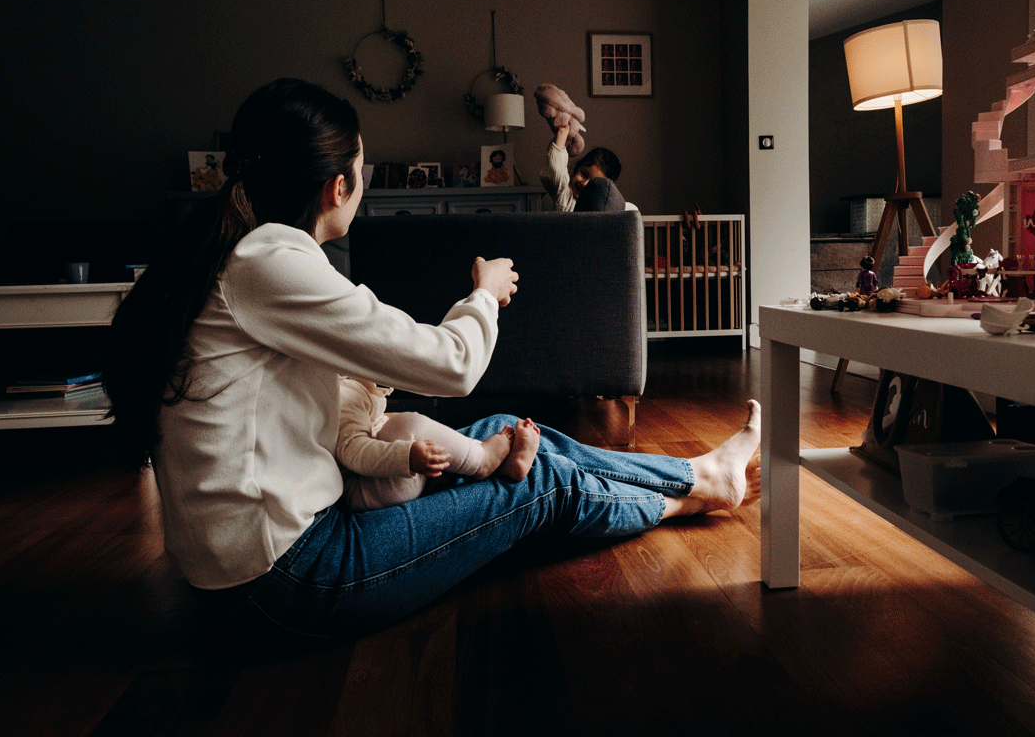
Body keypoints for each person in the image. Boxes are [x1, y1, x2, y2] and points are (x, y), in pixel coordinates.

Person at [103, 78, 761, 642]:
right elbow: (451, 367)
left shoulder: (235, 247)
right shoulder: (268, 260)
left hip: (266, 559)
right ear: (338, 187)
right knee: (537, 484)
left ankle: (691, 473)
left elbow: (383, 360)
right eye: (361, 169)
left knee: (503, 432)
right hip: (286, 581)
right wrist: (484, 296)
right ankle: (696, 494)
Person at [336, 374, 540, 512]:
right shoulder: (345, 393)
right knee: (407, 425)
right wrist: (406, 456)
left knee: (408, 429)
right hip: (368, 490)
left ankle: (502, 466)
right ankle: (482, 460)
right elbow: (354, 452)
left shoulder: (350, 385)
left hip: (381, 481)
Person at [540, 123, 633, 212]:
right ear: (577, 168)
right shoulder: (565, 194)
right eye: (584, 174)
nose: (585, 184)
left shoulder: (602, 210)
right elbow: (556, 170)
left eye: (593, 183)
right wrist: (562, 132)